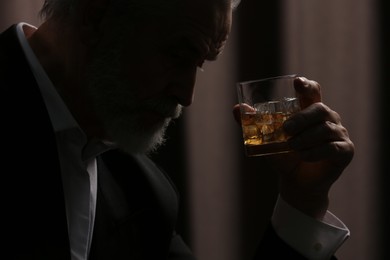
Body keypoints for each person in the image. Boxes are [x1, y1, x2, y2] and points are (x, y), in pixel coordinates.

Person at [0, 0, 354, 259]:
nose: (186, 95)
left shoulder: (143, 193)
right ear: (96, 16)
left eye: (198, 65)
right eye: (177, 55)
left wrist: (302, 199)